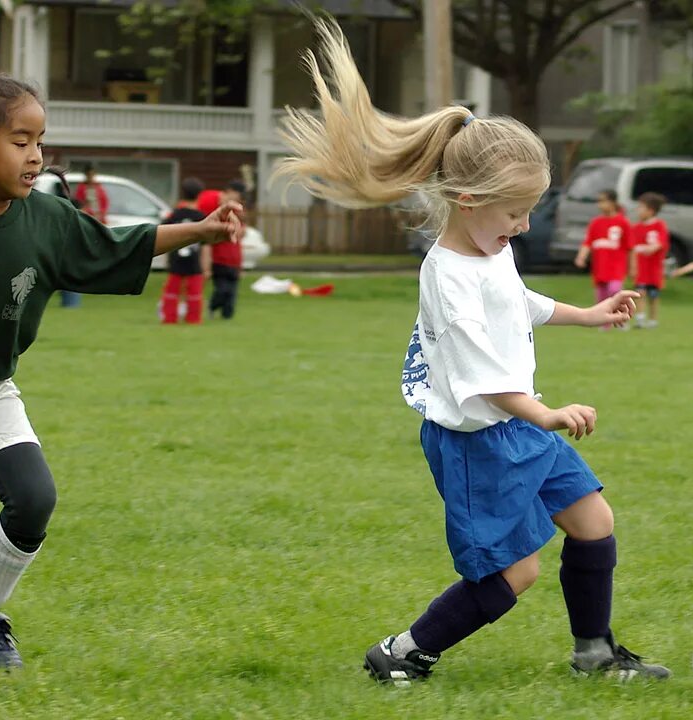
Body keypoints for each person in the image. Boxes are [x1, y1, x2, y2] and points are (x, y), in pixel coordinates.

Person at [274, 18, 670, 685]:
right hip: (478, 441)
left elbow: (519, 304)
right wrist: (545, 413)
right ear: (467, 200)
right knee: (514, 573)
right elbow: (483, 377)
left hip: (517, 427)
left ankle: (594, 653)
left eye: (529, 212)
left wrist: (588, 314)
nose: (522, 226)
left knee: (593, 521)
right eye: (515, 212)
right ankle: (402, 652)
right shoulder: (446, 275)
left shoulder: (493, 252)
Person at [0, 75, 241, 671]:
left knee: (34, 499)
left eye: (41, 141)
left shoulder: (45, 219)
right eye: (20, 140)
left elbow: (114, 246)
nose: (36, 154)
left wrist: (200, 230)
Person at [574, 190, 631, 329]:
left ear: (612, 202)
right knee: (602, 295)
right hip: (600, 266)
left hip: (616, 266)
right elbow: (588, 242)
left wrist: (633, 267)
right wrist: (581, 256)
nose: (600, 205)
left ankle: (621, 319)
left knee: (615, 290)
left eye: (603, 201)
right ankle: (604, 323)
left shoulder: (623, 222)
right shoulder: (596, 223)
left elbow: (630, 247)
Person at [159, 177, 209, 324]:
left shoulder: (174, 215)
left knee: (171, 292)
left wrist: (166, 260)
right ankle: (193, 319)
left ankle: (169, 318)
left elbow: (163, 237)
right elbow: (206, 245)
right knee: (194, 293)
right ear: (199, 195)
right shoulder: (202, 218)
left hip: (176, 260)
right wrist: (206, 267)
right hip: (194, 263)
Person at [199, 180, 246, 320]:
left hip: (234, 261)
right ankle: (212, 306)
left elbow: (240, 236)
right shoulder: (212, 204)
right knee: (222, 290)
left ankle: (227, 316)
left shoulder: (235, 214)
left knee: (232, 293)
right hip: (219, 260)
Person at [630, 192, 669, 329]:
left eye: (641, 207)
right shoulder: (636, 228)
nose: (638, 210)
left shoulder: (659, 226)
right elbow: (633, 249)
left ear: (650, 210)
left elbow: (661, 243)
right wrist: (633, 266)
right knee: (640, 292)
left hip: (654, 268)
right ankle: (640, 319)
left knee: (653, 295)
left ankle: (653, 320)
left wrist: (653, 248)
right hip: (641, 267)